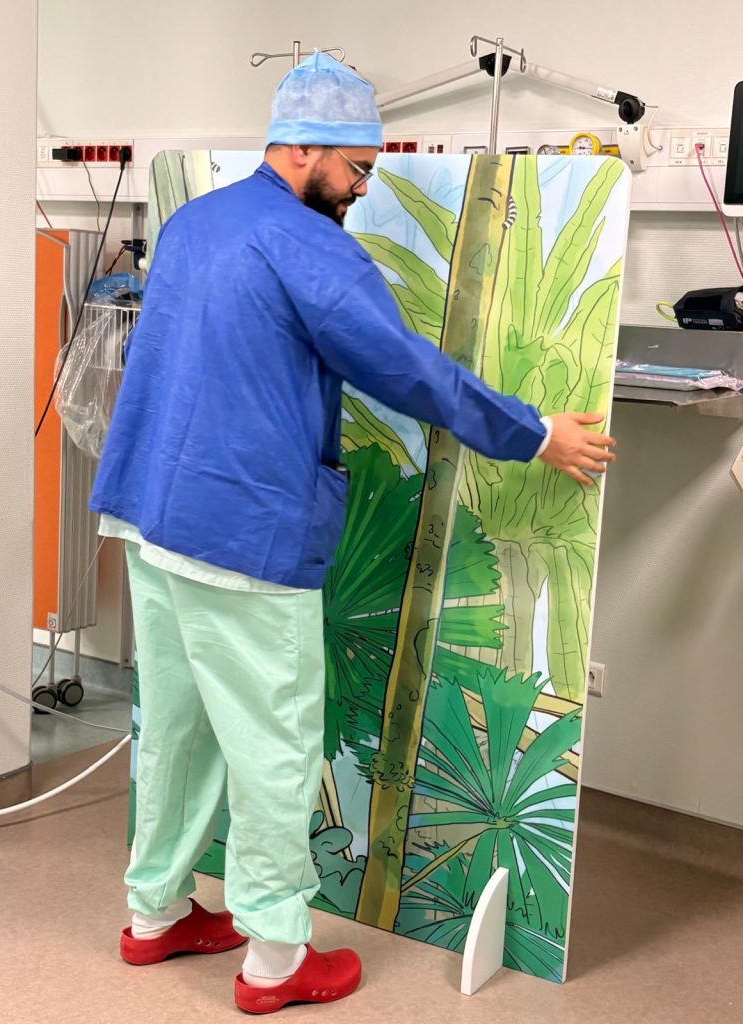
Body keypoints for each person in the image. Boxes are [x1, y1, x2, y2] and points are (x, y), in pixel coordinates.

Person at [90, 52, 615, 1015]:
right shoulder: (308, 247)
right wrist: (536, 432)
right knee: (275, 750)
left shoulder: (196, 222)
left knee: (174, 731)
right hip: (244, 538)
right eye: (359, 169)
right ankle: (275, 962)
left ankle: (155, 915)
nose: (364, 189)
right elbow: (407, 369)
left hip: (153, 516)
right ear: (303, 148)